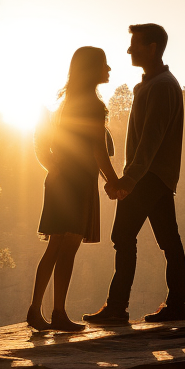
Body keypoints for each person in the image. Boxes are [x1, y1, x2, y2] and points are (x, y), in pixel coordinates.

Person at [85, 23, 185, 325]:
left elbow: (150, 142)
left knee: (123, 237)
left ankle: (118, 308)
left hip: (147, 177)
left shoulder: (162, 86)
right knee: (169, 240)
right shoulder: (154, 84)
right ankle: (177, 306)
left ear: (152, 47)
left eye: (136, 44)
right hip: (156, 177)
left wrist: (126, 181)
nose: (130, 50)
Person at [27, 46, 124, 332]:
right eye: (104, 65)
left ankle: (36, 311)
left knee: (56, 246)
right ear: (92, 69)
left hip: (60, 180)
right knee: (67, 248)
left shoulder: (67, 103)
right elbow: (97, 149)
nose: (108, 70)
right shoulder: (92, 105)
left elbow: (46, 142)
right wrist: (114, 181)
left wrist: (55, 168)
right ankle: (57, 314)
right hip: (78, 182)